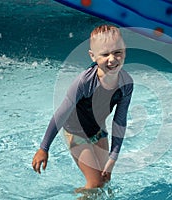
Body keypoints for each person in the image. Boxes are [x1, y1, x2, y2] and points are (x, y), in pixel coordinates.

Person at [32, 24, 133, 190]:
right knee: (94, 184)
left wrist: (113, 158)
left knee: (104, 180)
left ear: (125, 51)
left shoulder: (126, 84)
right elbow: (61, 114)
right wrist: (44, 148)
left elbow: (119, 121)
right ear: (93, 56)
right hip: (76, 133)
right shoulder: (84, 82)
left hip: (98, 131)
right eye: (105, 54)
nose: (112, 59)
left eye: (117, 52)